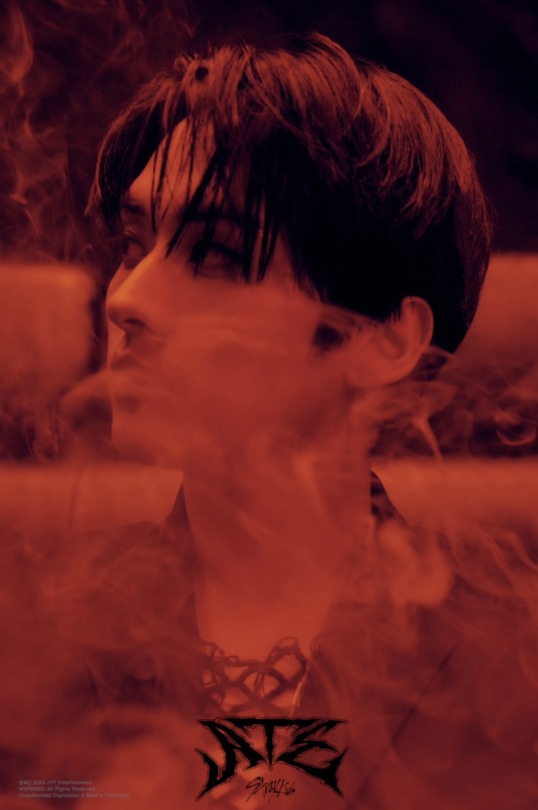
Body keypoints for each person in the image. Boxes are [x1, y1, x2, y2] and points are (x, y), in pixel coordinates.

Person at [78, 33, 536, 809]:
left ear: (382, 339)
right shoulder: (45, 625)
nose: (125, 299)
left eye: (216, 255)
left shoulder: (510, 659)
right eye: (133, 244)